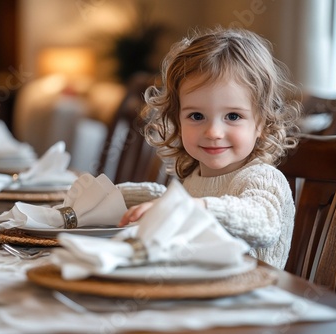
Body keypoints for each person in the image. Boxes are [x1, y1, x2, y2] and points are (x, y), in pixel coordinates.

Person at [117, 27, 302, 269]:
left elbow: (263, 223)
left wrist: (192, 206)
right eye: (196, 116)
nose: (214, 132)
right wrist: (119, 195)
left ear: (261, 124)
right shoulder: (197, 176)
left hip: (252, 300)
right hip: (204, 295)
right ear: (177, 122)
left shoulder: (263, 178)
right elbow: (183, 202)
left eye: (233, 116)